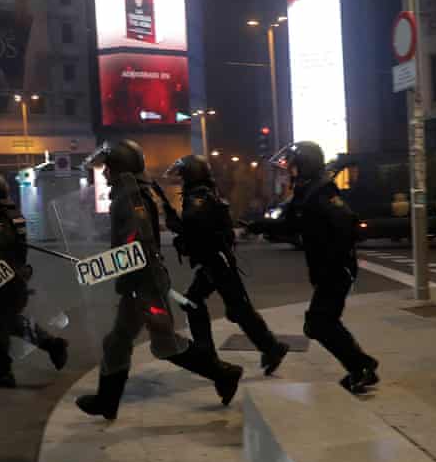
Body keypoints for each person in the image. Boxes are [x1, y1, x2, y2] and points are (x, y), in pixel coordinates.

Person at [76, 140, 243, 421]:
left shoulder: (131, 198)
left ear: (119, 168)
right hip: (136, 284)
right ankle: (107, 401)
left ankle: (224, 373)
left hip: (145, 284)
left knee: (165, 345)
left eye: (107, 167)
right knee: (117, 342)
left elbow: (137, 247)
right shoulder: (128, 195)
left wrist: (99, 267)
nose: (104, 173)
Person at [245, 141, 379, 393]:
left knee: (320, 323)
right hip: (327, 269)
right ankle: (361, 366)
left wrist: (333, 258)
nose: (290, 172)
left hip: (336, 269)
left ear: (305, 166)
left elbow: (346, 225)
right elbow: (292, 224)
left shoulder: (322, 192)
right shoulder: (306, 191)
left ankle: (362, 367)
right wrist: (260, 226)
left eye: (293, 167)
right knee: (321, 322)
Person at [163, 154, 289, 375]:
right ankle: (265, 347)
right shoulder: (203, 193)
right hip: (214, 260)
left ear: (191, 175)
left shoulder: (199, 197)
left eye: (183, 175)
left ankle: (266, 348)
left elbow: (196, 226)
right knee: (207, 303)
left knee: (232, 308)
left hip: (216, 261)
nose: (181, 180)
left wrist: (176, 224)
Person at [0, 172, 69, 388]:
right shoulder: (7, 213)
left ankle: (3, 373)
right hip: (10, 277)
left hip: (5, 279)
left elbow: (3, 249)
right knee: (5, 322)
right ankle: (52, 345)